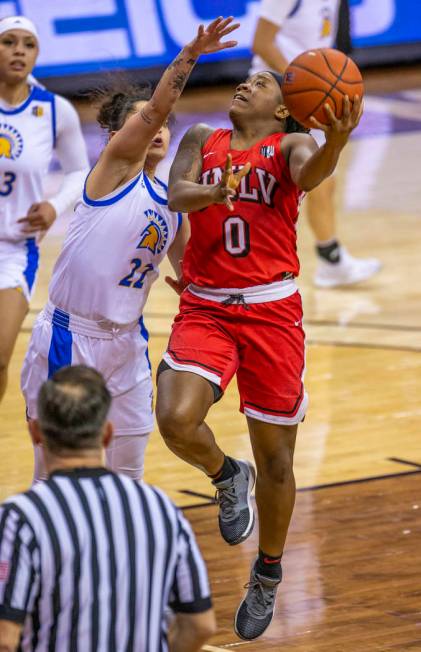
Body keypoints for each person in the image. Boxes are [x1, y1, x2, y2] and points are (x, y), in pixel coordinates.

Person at [156, 71, 362, 639]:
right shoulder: (202, 137)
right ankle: (226, 476)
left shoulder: (291, 145)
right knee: (175, 419)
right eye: (244, 82)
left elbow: (312, 172)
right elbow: (177, 193)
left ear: (282, 111)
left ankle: (268, 570)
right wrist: (216, 193)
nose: (246, 86)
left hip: (272, 313)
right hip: (207, 306)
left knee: (277, 462)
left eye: (262, 85)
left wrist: (337, 142)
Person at [21, 16, 240, 483]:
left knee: (128, 473)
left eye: (164, 125)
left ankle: (126, 551)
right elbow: (158, 108)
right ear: (120, 136)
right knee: (54, 470)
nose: (159, 129)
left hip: (126, 343)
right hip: (68, 336)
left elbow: (195, 276)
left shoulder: (175, 202)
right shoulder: (112, 172)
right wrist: (190, 56)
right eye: (148, 122)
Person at [0, 365, 215, 652]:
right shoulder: (161, 509)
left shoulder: (21, 517)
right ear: (107, 433)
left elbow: (5, 635)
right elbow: (201, 625)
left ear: (36, 432)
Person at [250, 0, 381, 288]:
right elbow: (261, 42)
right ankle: (249, 265)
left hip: (308, 98)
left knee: (324, 178)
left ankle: (330, 258)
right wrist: (303, 80)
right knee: (266, 188)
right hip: (276, 94)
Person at [0, 15, 89, 403]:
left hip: (15, 250)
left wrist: (55, 205)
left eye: (28, 44)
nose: (18, 50)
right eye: (8, 42)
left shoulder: (54, 110)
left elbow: (79, 171)